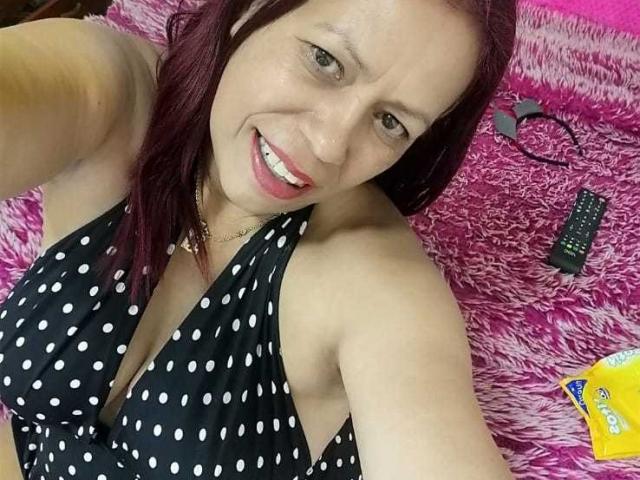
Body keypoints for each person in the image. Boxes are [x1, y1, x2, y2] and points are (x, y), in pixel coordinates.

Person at [0, 0, 518, 478]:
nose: (328, 145)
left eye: (390, 121)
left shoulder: (372, 281)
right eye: (325, 60)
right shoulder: (115, 99)